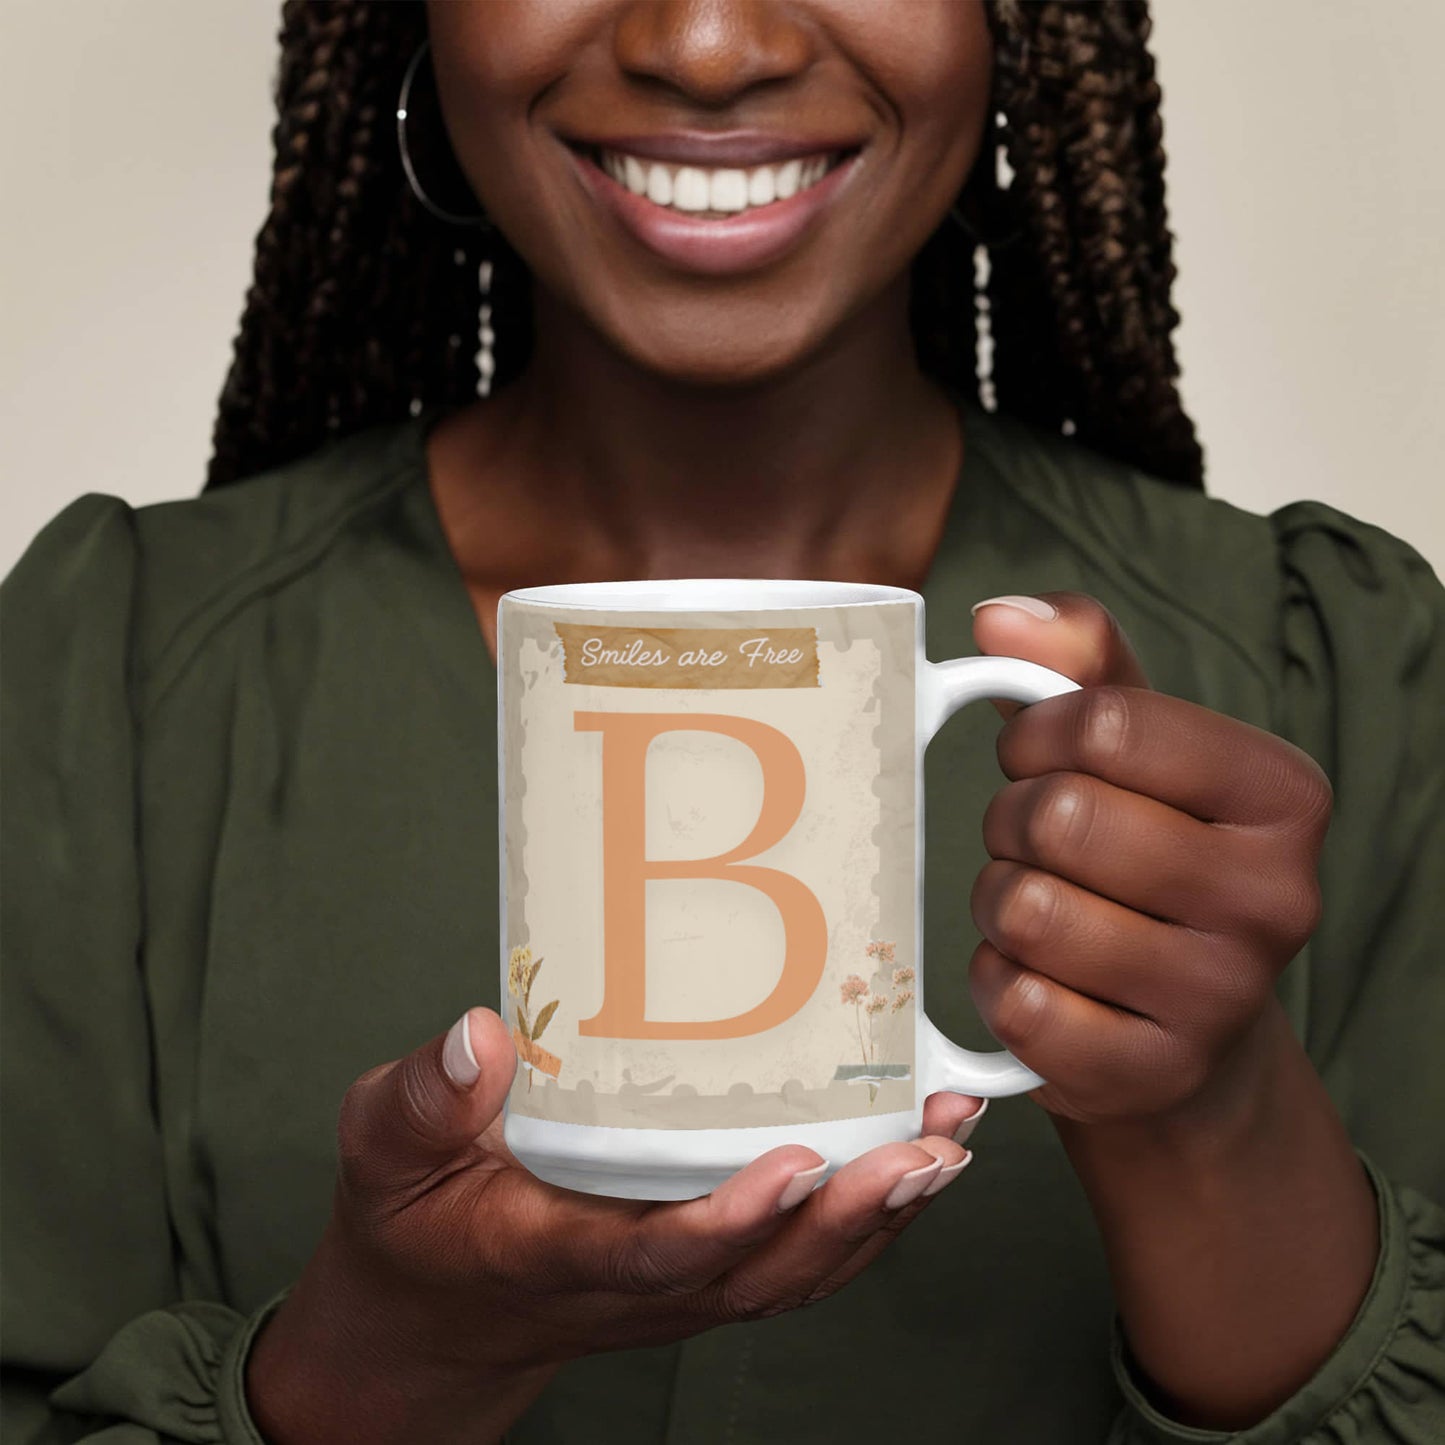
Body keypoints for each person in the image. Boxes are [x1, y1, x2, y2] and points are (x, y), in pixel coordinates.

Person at [3, 1, 1442, 1441]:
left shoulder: (1332, 670)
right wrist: (387, 1361)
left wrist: (1208, 1112)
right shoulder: (113, 681)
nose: (703, 45)